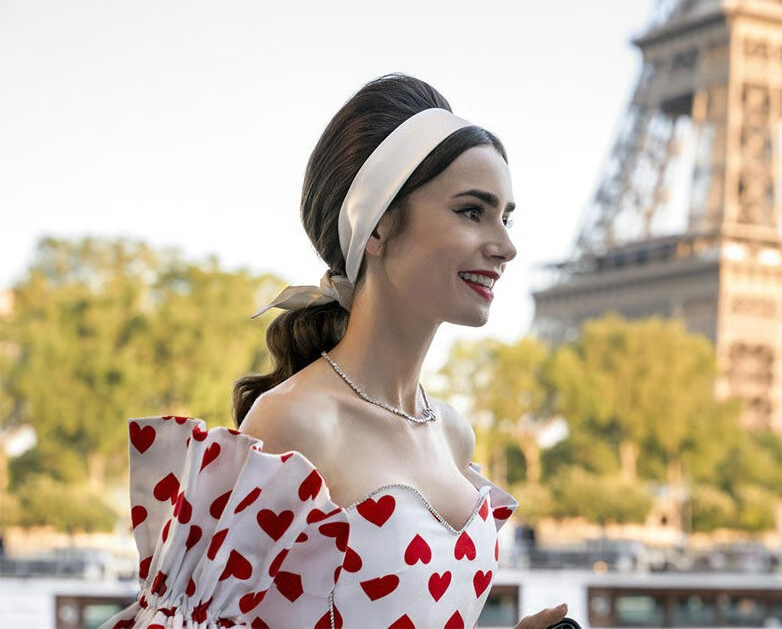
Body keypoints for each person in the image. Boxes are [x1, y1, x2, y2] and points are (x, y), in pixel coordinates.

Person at [102, 74, 569, 629]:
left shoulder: (453, 434)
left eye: (506, 217)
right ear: (376, 227)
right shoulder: (296, 422)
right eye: (472, 211)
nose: (506, 246)